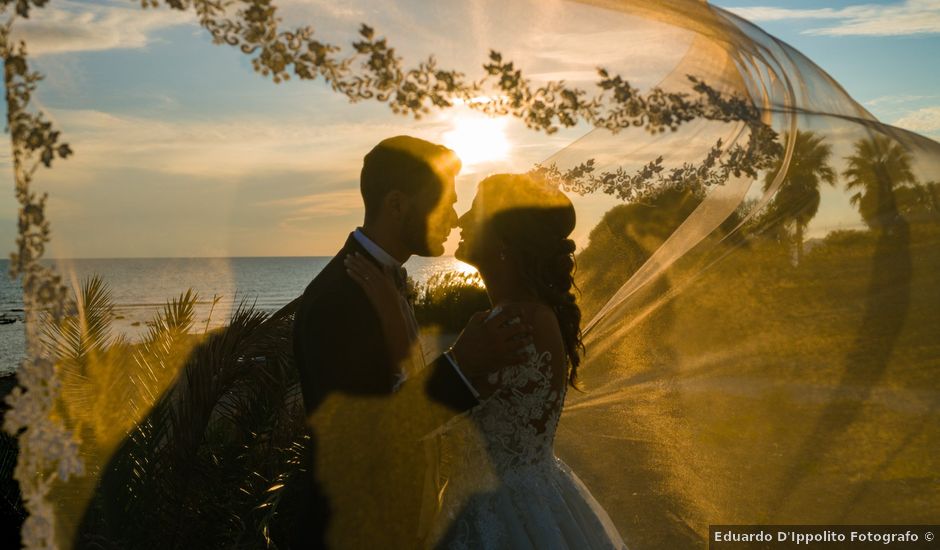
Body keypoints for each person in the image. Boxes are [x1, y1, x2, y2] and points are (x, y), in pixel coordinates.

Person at [347, 172, 627, 549]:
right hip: (535, 500)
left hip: (498, 514)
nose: (461, 220)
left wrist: (391, 317)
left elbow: (421, 421)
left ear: (503, 240)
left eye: (475, 211)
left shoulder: (512, 325)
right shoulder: (529, 314)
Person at [290, 137, 533, 549]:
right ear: (398, 204)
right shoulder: (340, 299)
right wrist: (461, 365)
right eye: (445, 204)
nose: (455, 219)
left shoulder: (381, 280)